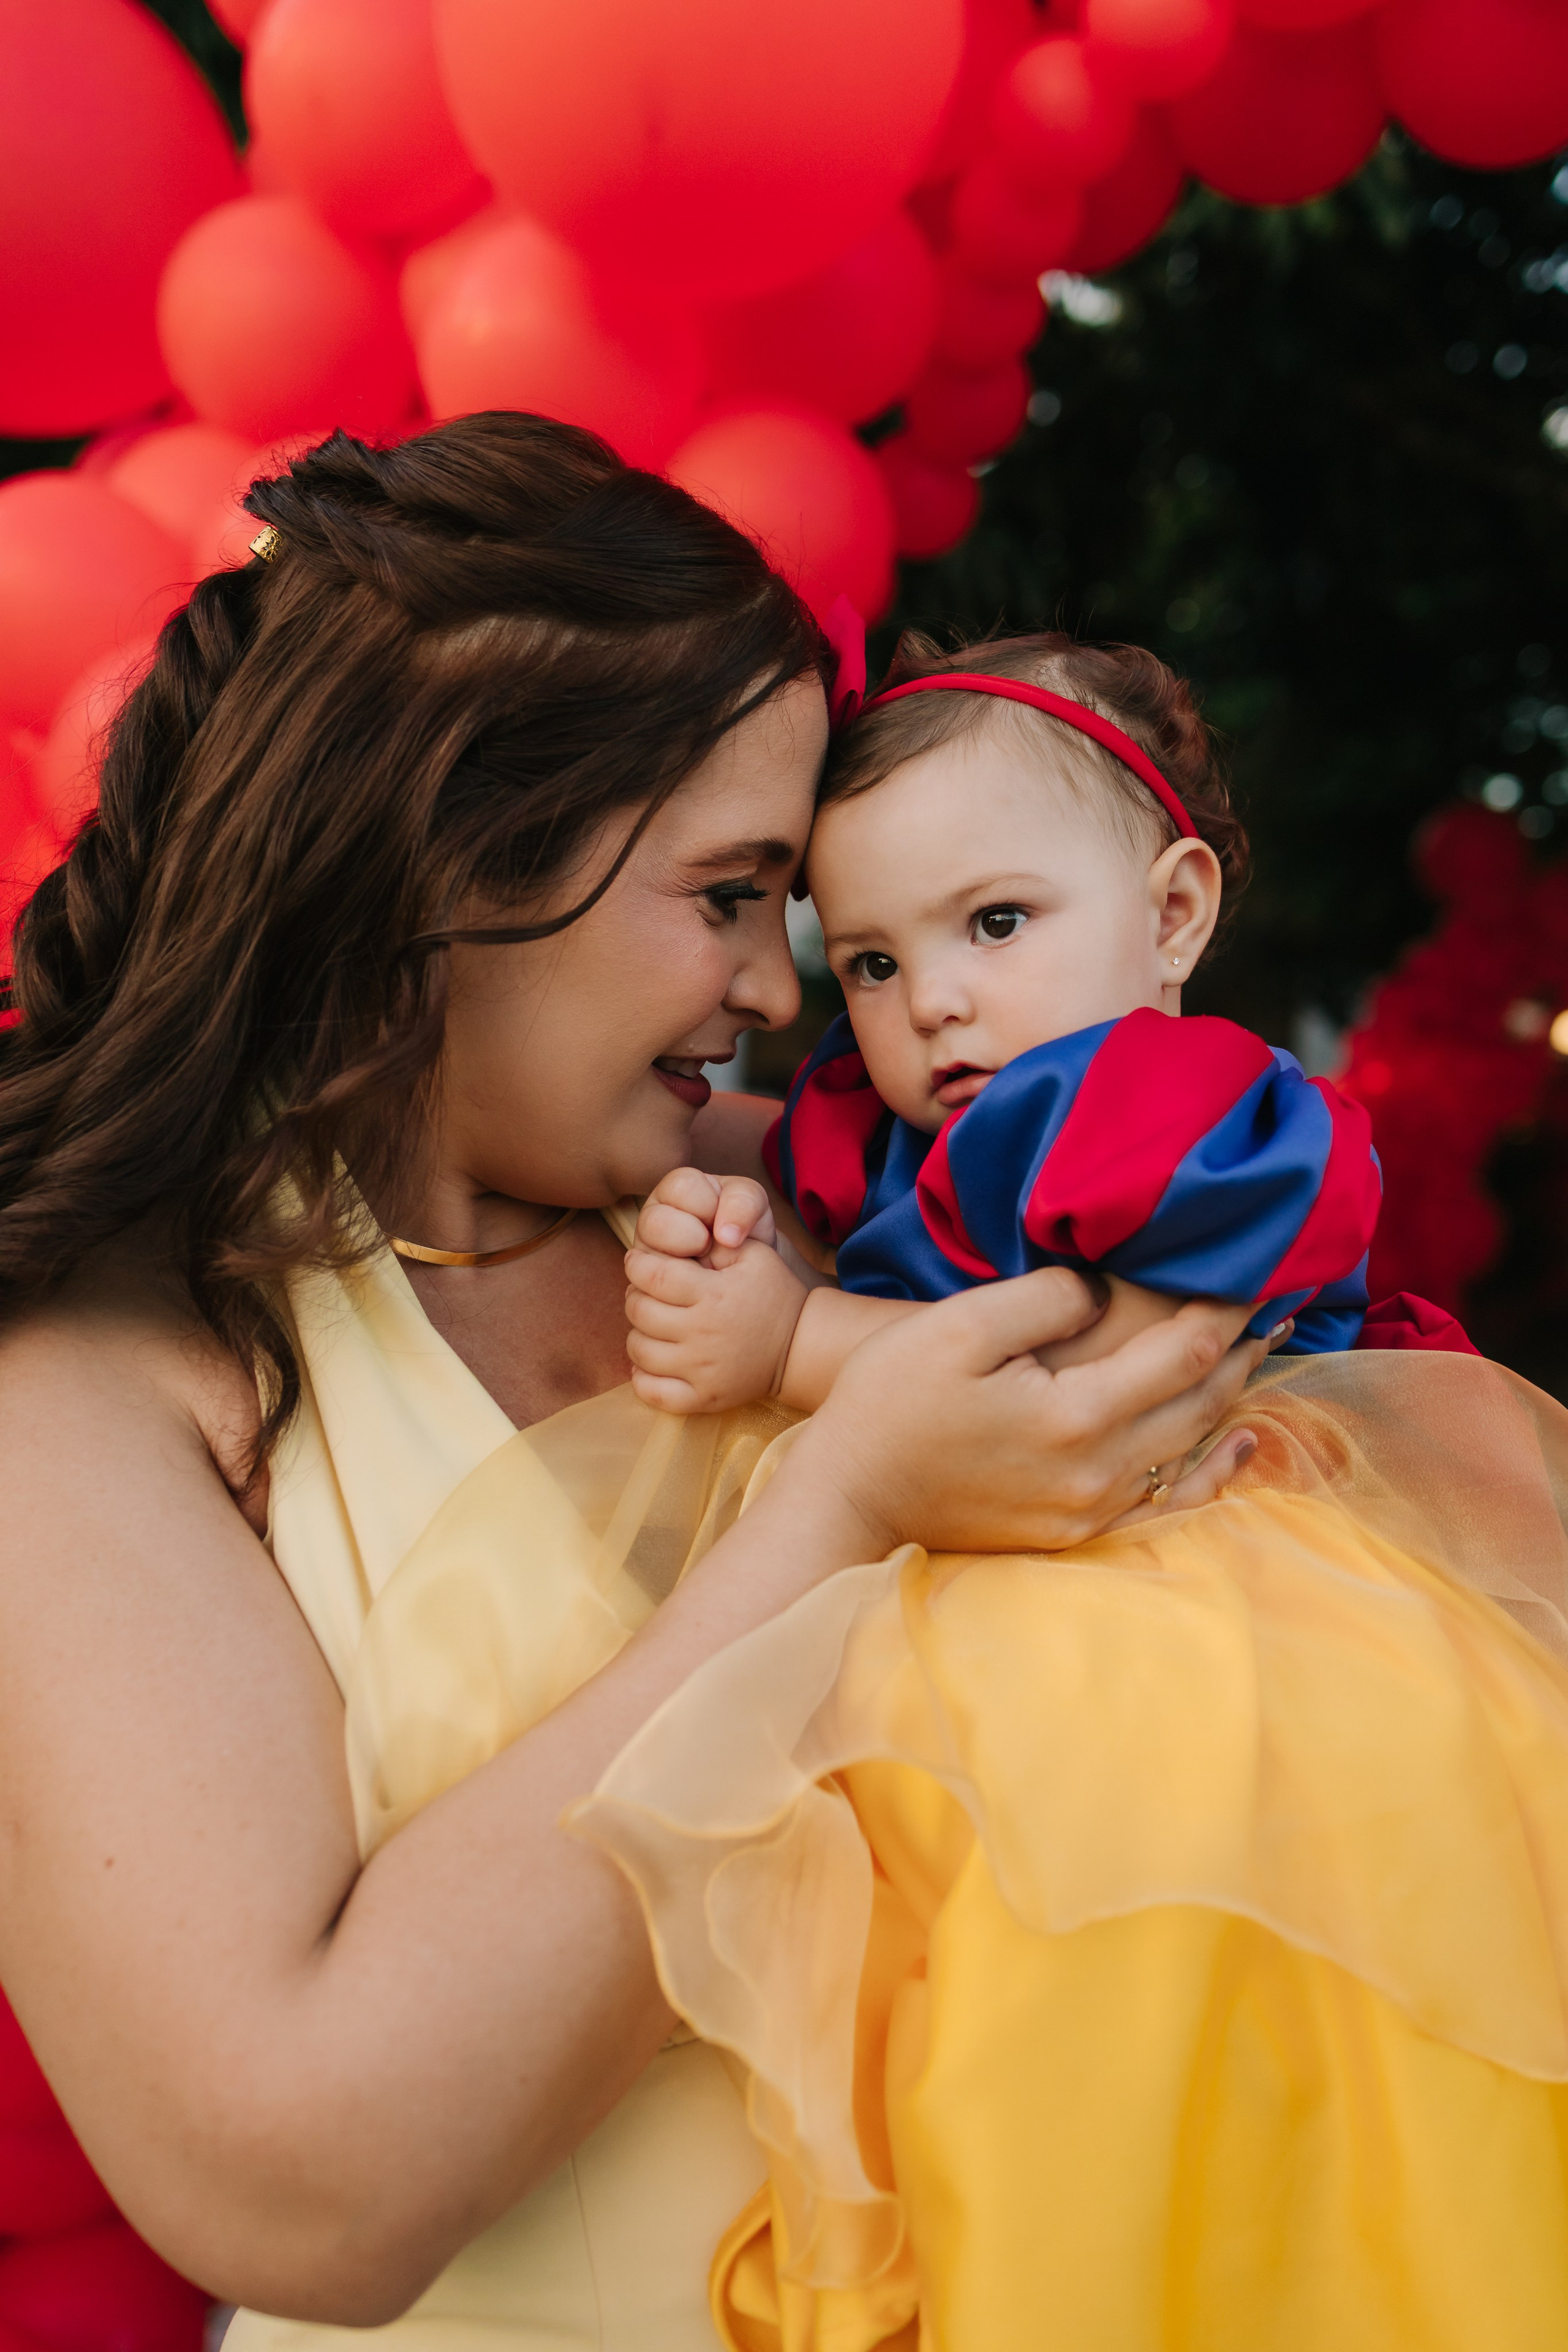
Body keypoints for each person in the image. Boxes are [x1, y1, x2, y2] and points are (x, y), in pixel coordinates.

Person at [0, 421, 1268, 2352]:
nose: (782, 988)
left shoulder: (856, 1201)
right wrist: (846, 1513)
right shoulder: (98, 1376)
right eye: (734, 892)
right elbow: (293, 2183)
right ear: (458, 856)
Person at [585, 632, 1568, 2350]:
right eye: (872, 960)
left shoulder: (1179, 1108)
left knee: (1164, 1963)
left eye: (996, 925)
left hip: (1196, 1574)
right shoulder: (876, 1127)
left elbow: (1080, 1382)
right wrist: (718, 1226)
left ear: (1174, 916)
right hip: (1003, 1593)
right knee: (978, 2001)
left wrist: (789, 1337)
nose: (933, 1002)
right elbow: (844, 1249)